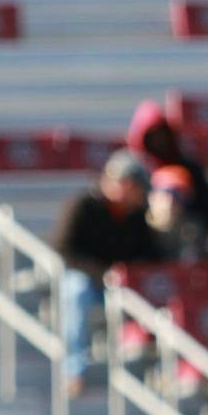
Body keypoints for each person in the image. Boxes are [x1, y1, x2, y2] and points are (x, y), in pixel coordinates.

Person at [52, 153, 155, 394]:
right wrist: (102, 274)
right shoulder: (83, 206)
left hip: (120, 284)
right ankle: (74, 370)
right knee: (76, 291)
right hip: (86, 279)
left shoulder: (137, 217)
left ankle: (141, 357)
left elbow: (148, 253)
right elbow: (63, 248)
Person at [124, 99, 208, 230]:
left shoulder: (188, 169)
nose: (159, 142)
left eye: (162, 135)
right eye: (152, 137)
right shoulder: (135, 173)